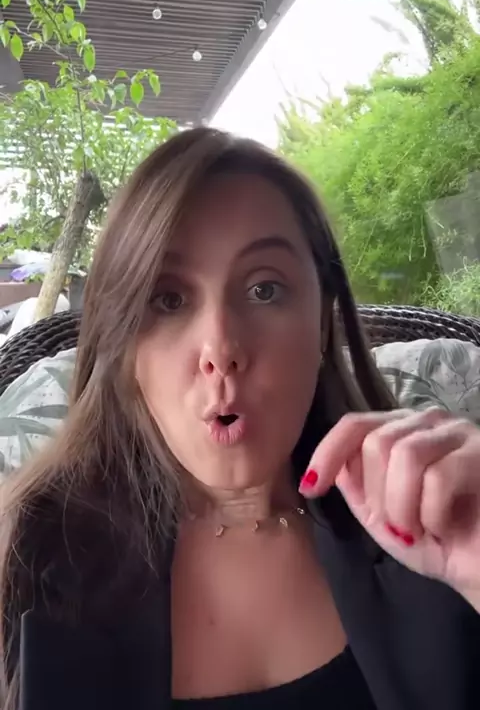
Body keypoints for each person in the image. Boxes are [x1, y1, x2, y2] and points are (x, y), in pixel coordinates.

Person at [0, 127, 479, 710]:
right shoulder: (27, 550)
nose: (220, 349)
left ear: (322, 319)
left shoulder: (430, 515)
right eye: (168, 299)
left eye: (265, 290)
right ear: (125, 347)